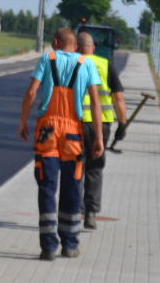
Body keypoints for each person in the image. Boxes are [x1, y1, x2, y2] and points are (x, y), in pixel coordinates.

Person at [18, 28, 104, 260]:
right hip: (73, 133)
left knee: (47, 185)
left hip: (47, 130)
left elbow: (31, 92)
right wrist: (98, 137)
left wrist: (23, 121)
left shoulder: (48, 58)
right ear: (74, 46)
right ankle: (70, 243)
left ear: (55, 43)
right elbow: (95, 103)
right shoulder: (87, 64)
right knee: (72, 185)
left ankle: (48, 246)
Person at [77, 31, 128, 229]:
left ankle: (73, 210)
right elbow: (119, 99)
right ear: (94, 48)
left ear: (76, 47)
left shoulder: (72, 64)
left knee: (76, 166)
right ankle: (91, 213)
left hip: (76, 123)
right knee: (95, 167)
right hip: (101, 125)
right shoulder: (106, 65)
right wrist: (122, 125)